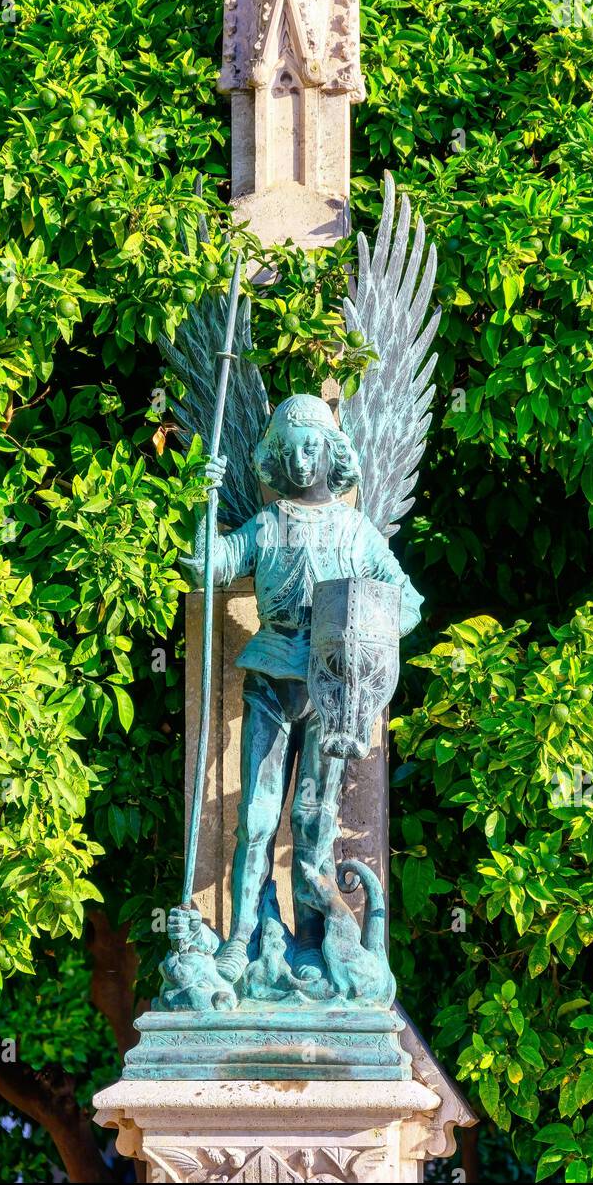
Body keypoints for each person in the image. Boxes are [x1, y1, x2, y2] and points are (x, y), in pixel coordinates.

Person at [185, 394, 421, 983]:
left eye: (311, 448)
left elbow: (407, 602)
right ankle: (241, 937)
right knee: (257, 817)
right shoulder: (266, 525)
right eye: (288, 451)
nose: (300, 461)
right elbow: (209, 567)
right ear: (274, 456)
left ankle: (313, 942)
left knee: (315, 822)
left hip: (330, 692)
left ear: (332, 453)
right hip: (270, 679)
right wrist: (203, 501)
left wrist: (367, 640)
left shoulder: (356, 531)